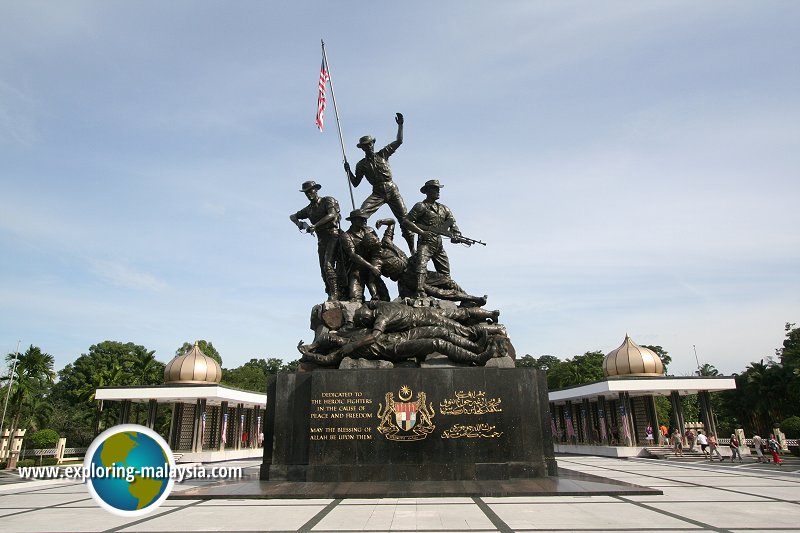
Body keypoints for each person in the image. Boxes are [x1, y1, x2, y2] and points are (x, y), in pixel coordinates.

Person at [344, 113, 416, 254]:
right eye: (365, 146)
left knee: (405, 220)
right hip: (377, 192)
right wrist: (348, 171)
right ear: (362, 148)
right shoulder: (361, 165)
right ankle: (361, 240)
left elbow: (399, 141)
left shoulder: (383, 154)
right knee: (361, 213)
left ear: (373, 144)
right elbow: (356, 183)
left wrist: (400, 125)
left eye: (369, 144)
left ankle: (412, 250)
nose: (368, 147)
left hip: (391, 189)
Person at [403, 180, 462, 297]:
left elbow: (454, 226)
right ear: (428, 191)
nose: (438, 191)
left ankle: (447, 294)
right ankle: (419, 289)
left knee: (445, 274)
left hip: (438, 244)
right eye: (435, 189)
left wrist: (456, 236)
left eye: (438, 189)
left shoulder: (444, 209)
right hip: (425, 242)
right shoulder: (421, 206)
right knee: (421, 265)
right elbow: (406, 221)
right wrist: (421, 232)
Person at [289, 180, 342, 301]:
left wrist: (315, 225)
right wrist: (299, 223)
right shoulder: (309, 209)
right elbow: (292, 216)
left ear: (316, 190)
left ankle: (335, 294)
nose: (308, 194)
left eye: (310, 191)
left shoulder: (327, 200)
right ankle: (329, 292)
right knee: (323, 269)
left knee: (328, 265)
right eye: (306, 192)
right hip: (321, 239)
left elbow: (332, 215)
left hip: (333, 236)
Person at [339, 209, 387, 301]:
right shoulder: (346, 236)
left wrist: (376, 265)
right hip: (357, 269)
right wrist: (372, 267)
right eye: (361, 219)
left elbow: (378, 246)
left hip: (373, 267)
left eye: (365, 219)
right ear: (353, 220)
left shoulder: (370, 230)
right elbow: (352, 255)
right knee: (355, 298)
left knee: (384, 297)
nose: (364, 221)